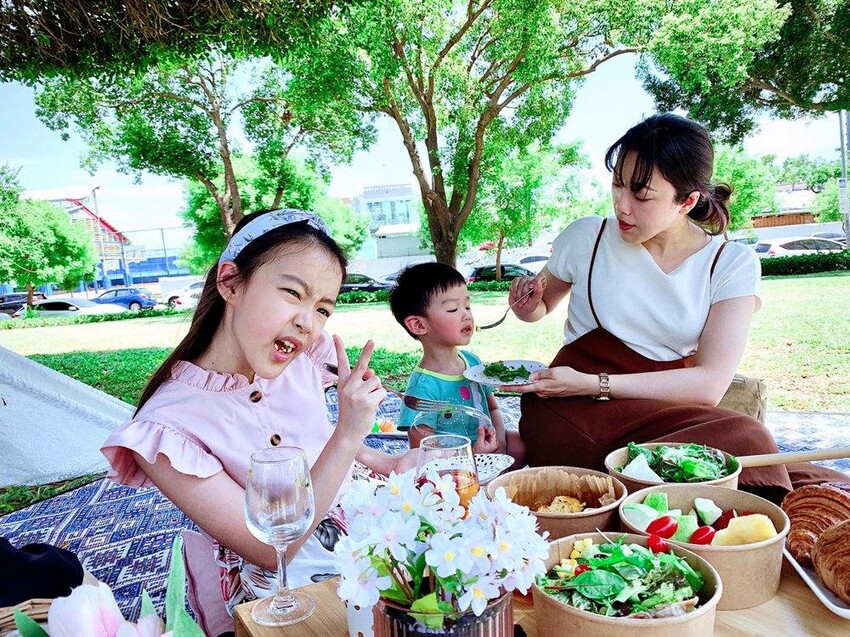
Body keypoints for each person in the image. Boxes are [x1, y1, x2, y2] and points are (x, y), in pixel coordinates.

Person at [101, 209, 414, 636]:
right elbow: (270, 549)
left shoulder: (304, 358)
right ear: (230, 282)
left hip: (369, 531)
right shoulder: (165, 429)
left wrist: (379, 460)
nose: (308, 322)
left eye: (323, 308)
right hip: (280, 592)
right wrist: (348, 433)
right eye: (292, 292)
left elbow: (314, 434)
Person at [507, 113, 847, 504]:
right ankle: (662, 488)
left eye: (641, 194)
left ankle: (626, 487)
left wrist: (597, 381)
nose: (622, 206)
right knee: (733, 461)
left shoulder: (729, 263)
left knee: (747, 437)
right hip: (574, 407)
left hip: (660, 413)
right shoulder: (588, 235)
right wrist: (527, 303)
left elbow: (708, 386)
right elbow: (537, 308)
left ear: (687, 201)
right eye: (617, 185)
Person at [389, 262, 524, 465]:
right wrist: (474, 458)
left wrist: (501, 445)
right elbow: (424, 454)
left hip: (490, 448)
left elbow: (493, 409)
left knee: (526, 444)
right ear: (418, 324)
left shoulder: (472, 362)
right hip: (455, 468)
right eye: (453, 309)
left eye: (467, 306)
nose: (466, 314)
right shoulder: (423, 388)